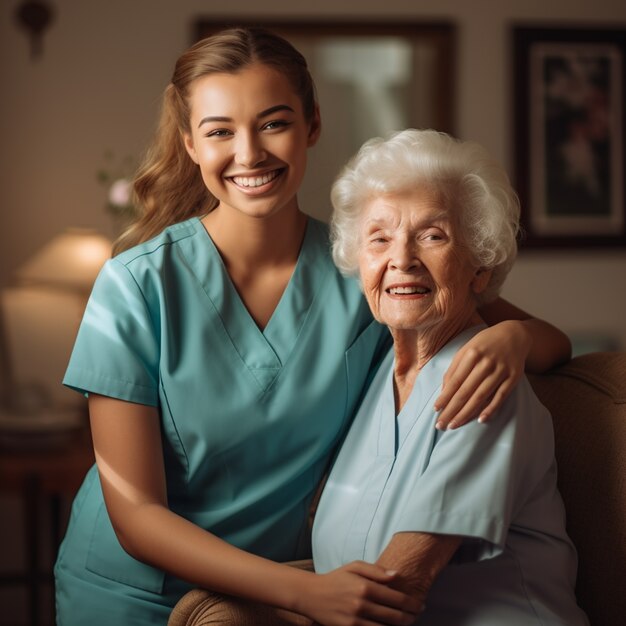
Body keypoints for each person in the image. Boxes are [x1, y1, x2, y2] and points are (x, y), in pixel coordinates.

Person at [54, 28, 571, 625]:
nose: (249, 154)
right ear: (191, 144)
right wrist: (302, 593)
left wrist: (507, 338)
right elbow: (137, 513)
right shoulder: (135, 285)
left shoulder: (366, 267)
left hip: (274, 599)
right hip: (134, 594)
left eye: (273, 123)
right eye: (220, 131)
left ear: (312, 126)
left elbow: (548, 341)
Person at [311, 129, 589, 624]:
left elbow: (396, 589)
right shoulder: (377, 379)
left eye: (432, 235)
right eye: (379, 238)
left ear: (479, 268)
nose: (401, 259)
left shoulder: (487, 385)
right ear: (359, 261)